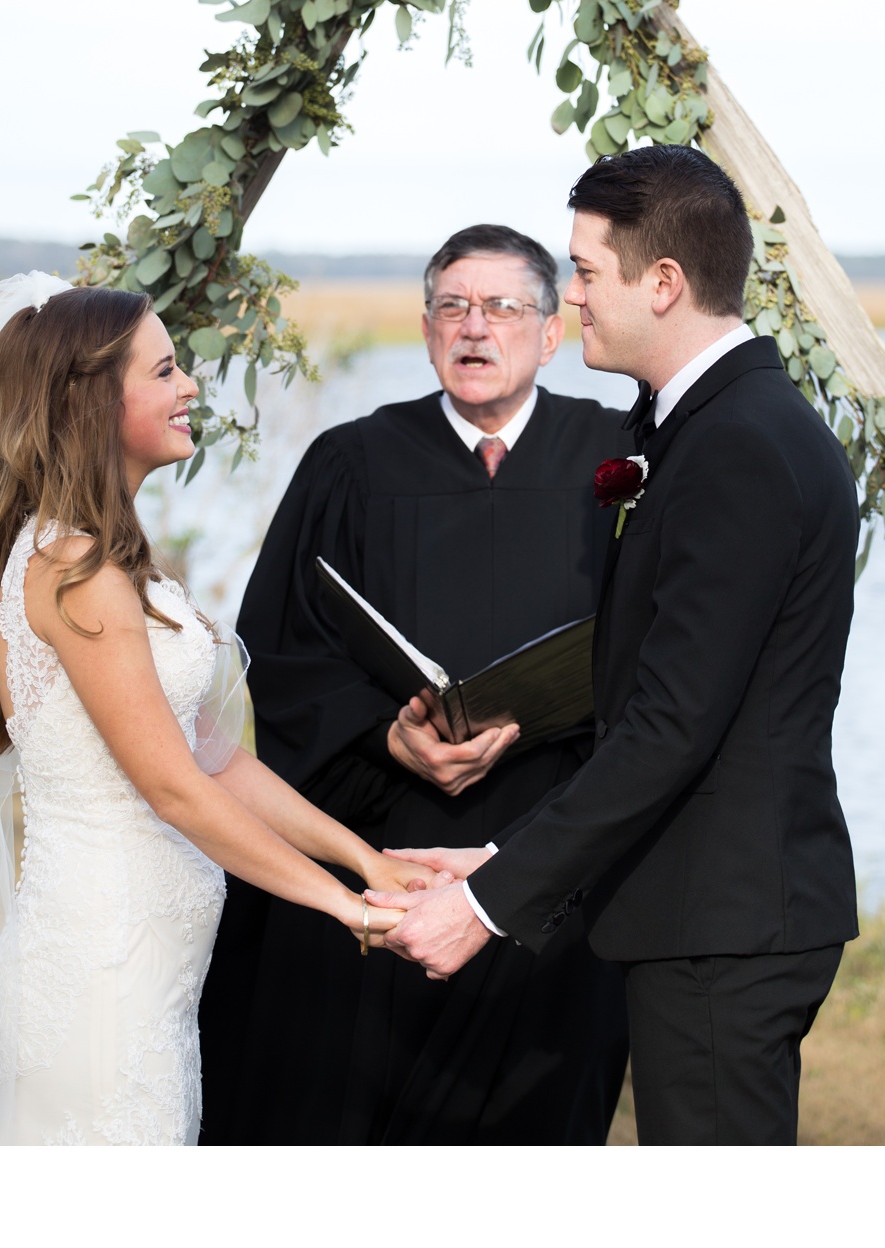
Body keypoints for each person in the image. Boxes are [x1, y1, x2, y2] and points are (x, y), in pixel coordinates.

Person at [0, 276, 417, 1147]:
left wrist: (368, 863)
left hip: (148, 969)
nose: (190, 387)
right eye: (164, 371)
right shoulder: (71, 567)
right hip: (98, 970)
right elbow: (172, 790)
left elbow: (212, 757)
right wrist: (344, 908)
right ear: (95, 401)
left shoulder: (113, 557)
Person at [368, 149, 860, 1146]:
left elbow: (673, 726)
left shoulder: (740, 446)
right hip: (712, 911)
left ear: (663, 281)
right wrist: (504, 850)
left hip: (723, 925)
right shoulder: (710, 426)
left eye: (588, 271)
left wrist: (490, 901)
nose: (574, 296)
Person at [199, 224, 632, 1146]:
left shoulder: (620, 465)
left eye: (503, 308)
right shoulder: (351, 463)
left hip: (546, 843)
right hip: (381, 838)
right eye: (451, 306)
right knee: (354, 1113)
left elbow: (665, 650)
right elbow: (279, 644)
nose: (474, 328)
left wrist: (544, 718)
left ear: (551, 333)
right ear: (427, 327)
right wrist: (382, 734)